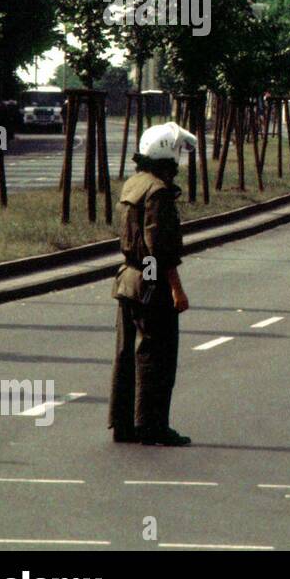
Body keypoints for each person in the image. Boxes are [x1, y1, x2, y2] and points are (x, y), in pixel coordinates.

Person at [109, 122, 196, 446]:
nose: (177, 166)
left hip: (128, 277)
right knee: (156, 355)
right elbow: (159, 246)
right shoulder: (158, 191)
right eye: (175, 158)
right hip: (149, 277)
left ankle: (123, 423)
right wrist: (175, 288)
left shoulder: (134, 184)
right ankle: (151, 425)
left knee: (126, 355)